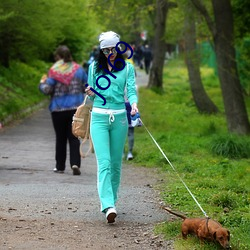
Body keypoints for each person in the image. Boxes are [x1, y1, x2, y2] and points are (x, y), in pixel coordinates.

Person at [85, 31, 138, 223]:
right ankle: (107, 205)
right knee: (104, 163)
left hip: (120, 118)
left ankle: (112, 201)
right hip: (98, 117)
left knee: (116, 164)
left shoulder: (127, 68)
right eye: (106, 50)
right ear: (101, 51)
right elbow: (91, 95)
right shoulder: (94, 68)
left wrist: (133, 104)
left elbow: (131, 90)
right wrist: (90, 92)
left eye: (113, 49)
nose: (110, 53)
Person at [39, 45, 87, 175]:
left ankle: (60, 167)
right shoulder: (79, 69)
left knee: (60, 138)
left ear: (58, 57)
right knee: (74, 136)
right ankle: (75, 163)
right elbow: (86, 87)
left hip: (58, 109)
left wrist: (42, 83)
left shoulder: (54, 71)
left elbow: (47, 90)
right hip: (75, 109)